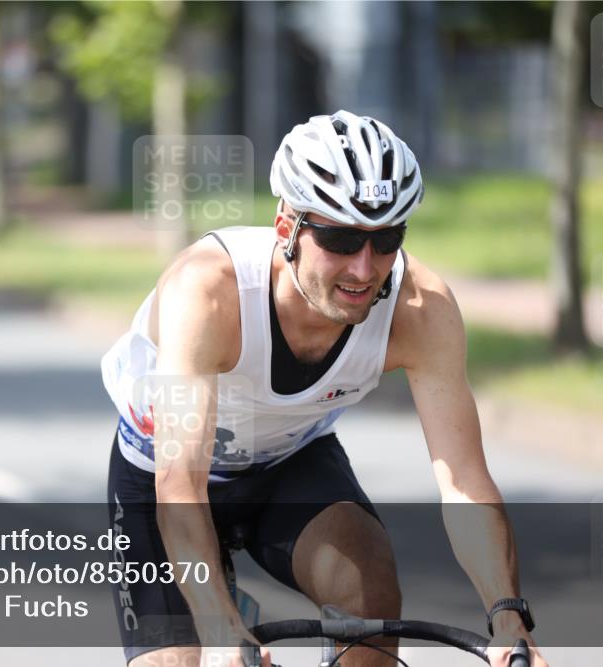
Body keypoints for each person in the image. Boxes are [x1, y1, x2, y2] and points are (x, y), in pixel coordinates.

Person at [101, 110, 548, 667]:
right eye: (340, 238)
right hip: (165, 480)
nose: (364, 269)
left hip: (289, 463)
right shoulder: (210, 292)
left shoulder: (420, 309)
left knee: (370, 598)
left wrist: (508, 618)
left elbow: (463, 482)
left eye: (387, 239)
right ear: (287, 229)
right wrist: (220, 626)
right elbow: (180, 485)